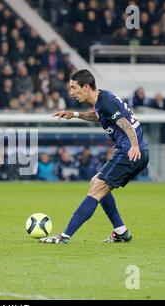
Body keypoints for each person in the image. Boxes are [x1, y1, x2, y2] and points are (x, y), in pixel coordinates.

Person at [41, 69, 149, 244]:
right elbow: (98, 116)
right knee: (96, 182)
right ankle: (121, 231)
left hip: (131, 151)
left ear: (85, 87)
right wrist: (74, 115)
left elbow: (126, 124)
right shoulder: (102, 100)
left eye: (74, 88)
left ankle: (64, 237)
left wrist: (135, 146)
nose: (71, 92)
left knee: (96, 189)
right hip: (128, 150)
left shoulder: (105, 102)